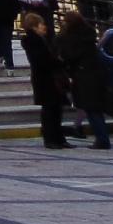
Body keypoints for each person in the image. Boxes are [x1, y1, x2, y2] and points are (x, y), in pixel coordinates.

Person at [55, 10, 111, 148]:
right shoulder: (88, 35)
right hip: (93, 74)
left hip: (83, 76)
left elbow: (69, 56)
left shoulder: (71, 38)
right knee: (94, 109)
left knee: (91, 109)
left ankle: (102, 139)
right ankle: (102, 138)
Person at [20, 12, 71, 149]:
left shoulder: (41, 40)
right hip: (45, 79)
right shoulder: (33, 41)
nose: (45, 27)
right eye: (41, 24)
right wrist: (58, 62)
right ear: (34, 26)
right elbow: (42, 60)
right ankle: (51, 139)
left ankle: (59, 138)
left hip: (49, 78)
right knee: (49, 109)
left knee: (56, 109)